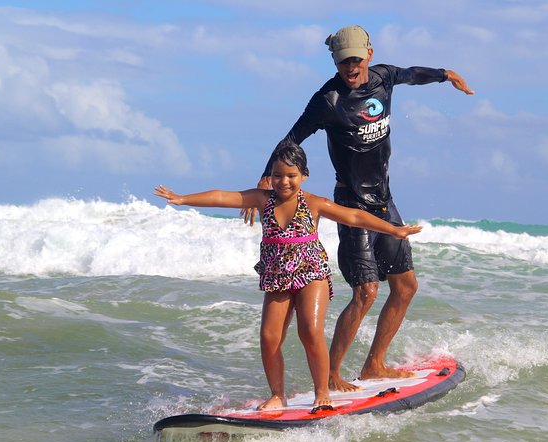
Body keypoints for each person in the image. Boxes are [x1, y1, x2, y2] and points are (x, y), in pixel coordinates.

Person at [242, 25, 474, 392]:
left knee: (406, 286)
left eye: (355, 59)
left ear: (368, 54)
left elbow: (413, 74)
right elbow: (291, 138)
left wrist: (446, 75)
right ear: (335, 62)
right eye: (342, 61)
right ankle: (332, 376)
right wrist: (265, 181)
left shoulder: (384, 77)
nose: (350, 67)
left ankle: (374, 364)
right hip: (350, 202)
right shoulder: (327, 100)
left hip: (384, 199)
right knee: (365, 291)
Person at [155, 141, 422, 410]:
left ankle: (321, 391)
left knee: (309, 332)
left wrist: (393, 230)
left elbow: (353, 216)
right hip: (277, 277)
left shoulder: (314, 203)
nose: (284, 182)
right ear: (270, 176)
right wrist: (182, 199)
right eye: (278, 175)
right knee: (269, 337)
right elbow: (223, 197)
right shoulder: (262, 200)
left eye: (291, 176)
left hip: (311, 275)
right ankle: (277, 394)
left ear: (303, 176)